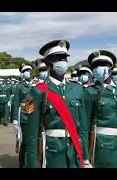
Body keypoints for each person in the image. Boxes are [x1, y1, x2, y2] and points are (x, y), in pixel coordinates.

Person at [26, 40, 91, 168]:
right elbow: (31, 135)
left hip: (75, 150)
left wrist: (86, 158)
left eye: (64, 58)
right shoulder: (36, 91)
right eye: (58, 59)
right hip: (52, 153)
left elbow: (83, 128)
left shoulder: (77, 89)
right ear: (49, 63)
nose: (63, 62)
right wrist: (32, 164)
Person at [88, 50, 117, 168]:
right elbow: (84, 127)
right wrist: (86, 157)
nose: (98, 68)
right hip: (103, 148)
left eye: (103, 64)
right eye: (95, 66)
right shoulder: (89, 92)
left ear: (111, 68)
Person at [11, 63, 33, 168]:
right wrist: (15, 119)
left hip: (33, 115)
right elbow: (15, 103)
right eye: (25, 71)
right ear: (22, 74)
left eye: (29, 71)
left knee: (32, 141)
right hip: (23, 116)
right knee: (24, 141)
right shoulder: (19, 86)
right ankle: (21, 162)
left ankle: (30, 162)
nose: (28, 73)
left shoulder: (34, 84)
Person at [78, 65, 94, 147]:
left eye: (85, 73)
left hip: (90, 127)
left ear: (91, 75)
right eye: (81, 74)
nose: (82, 76)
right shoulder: (77, 89)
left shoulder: (94, 91)